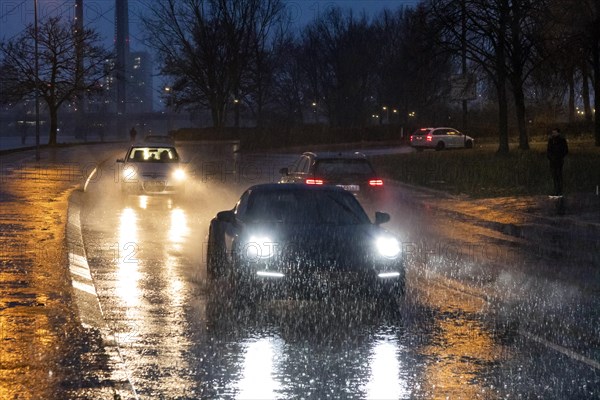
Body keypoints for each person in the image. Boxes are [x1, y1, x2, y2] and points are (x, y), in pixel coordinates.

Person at [547, 128, 568, 196]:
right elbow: (548, 150)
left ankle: (559, 190)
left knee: (559, 176)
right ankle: (555, 190)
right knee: (554, 176)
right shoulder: (551, 140)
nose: (554, 134)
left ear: (558, 133)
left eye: (555, 133)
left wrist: (560, 156)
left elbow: (565, 150)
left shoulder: (562, 140)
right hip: (553, 161)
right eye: (553, 133)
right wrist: (550, 157)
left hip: (559, 160)